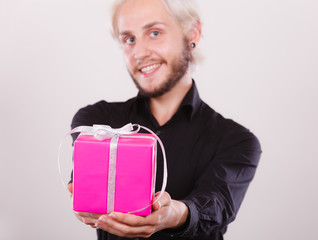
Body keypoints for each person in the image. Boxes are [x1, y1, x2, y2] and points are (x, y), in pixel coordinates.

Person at [67, 0, 262, 239]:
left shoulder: (236, 141)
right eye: (129, 39)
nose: (139, 53)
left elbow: (216, 204)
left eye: (155, 33)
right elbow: (86, 183)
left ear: (193, 33)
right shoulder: (97, 122)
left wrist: (177, 214)